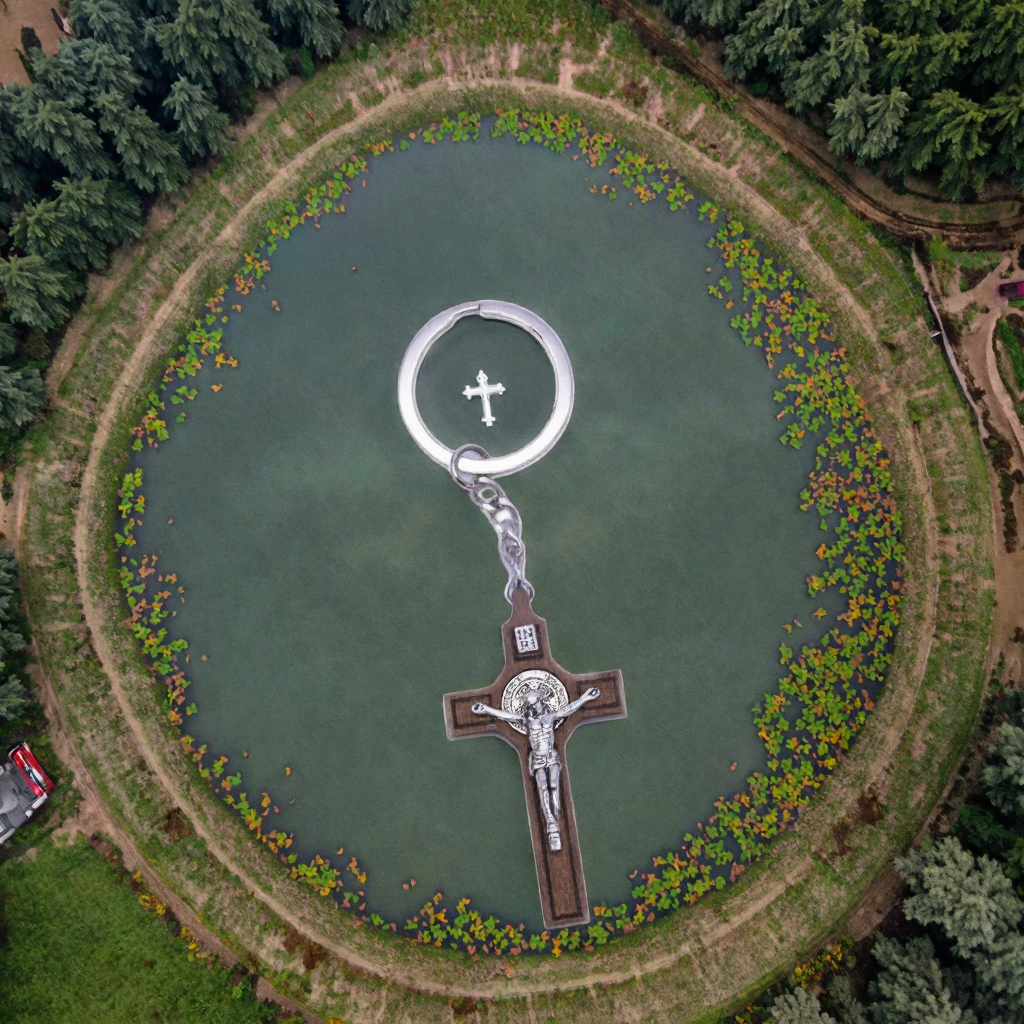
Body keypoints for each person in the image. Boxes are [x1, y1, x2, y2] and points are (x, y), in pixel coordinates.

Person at [472, 686, 600, 851]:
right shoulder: (527, 721)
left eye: (534, 703)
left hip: (551, 756)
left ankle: (555, 818)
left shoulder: (550, 717)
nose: (532, 707)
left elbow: (568, 709)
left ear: (541, 702)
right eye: (529, 705)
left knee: (554, 785)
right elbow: (507, 716)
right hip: (538, 758)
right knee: (543, 788)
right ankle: (551, 824)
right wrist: (486, 709)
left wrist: (585, 698)